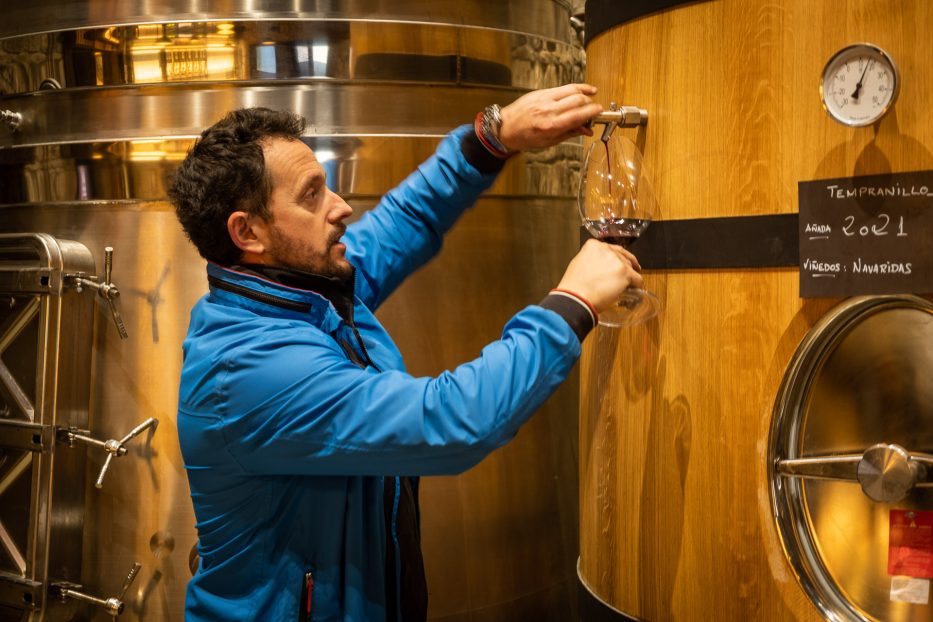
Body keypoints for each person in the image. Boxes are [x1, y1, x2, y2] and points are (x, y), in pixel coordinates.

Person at [169, 83, 643, 622]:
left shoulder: (309, 291)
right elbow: (454, 419)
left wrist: (493, 136)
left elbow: (406, 219)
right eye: (311, 195)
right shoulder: (249, 370)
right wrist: (572, 302)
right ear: (247, 231)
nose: (341, 207)